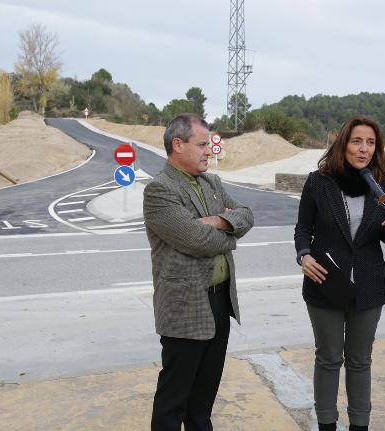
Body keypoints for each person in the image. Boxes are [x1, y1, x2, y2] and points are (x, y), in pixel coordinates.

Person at [143, 114, 254, 431]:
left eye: (209, 145)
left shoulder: (213, 183)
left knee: (202, 404)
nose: (209, 151)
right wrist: (229, 232)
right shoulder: (159, 190)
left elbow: (246, 215)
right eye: (202, 144)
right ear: (178, 145)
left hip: (220, 304)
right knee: (172, 403)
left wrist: (219, 221)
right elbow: (194, 239)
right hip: (184, 307)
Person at [294, 115, 385, 431]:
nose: (364, 148)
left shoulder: (384, 186)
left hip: (368, 284)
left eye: (370, 143)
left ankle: (359, 425)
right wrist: (304, 255)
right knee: (328, 358)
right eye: (357, 141)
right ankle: (326, 423)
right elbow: (303, 228)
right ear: (344, 144)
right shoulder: (318, 182)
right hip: (325, 282)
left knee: (360, 360)